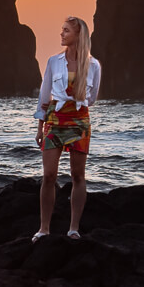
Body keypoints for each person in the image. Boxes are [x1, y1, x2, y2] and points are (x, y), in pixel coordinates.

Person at [32, 16, 101, 242]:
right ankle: (44, 229)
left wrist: (76, 101)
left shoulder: (93, 65)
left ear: (78, 35)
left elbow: (91, 99)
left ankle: (73, 228)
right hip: (55, 119)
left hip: (79, 121)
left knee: (77, 175)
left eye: (66, 31)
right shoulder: (53, 61)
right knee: (49, 175)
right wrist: (40, 127)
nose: (61, 34)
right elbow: (44, 96)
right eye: (61, 30)